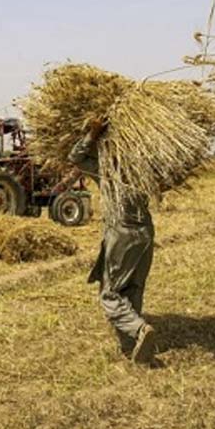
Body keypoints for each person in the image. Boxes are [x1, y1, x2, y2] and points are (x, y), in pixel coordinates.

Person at [69, 117, 156, 365]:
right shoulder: (144, 169)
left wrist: (92, 134)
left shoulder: (107, 170)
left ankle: (139, 330)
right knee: (133, 290)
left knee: (110, 295)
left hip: (123, 233)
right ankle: (133, 348)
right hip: (146, 233)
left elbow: (75, 157)